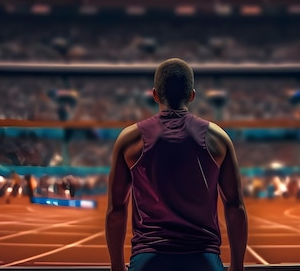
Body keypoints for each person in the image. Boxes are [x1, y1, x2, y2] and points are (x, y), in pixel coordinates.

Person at [105, 58, 247, 271]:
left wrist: (117, 267)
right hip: (203, 259)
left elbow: (116, 209)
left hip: (149, 259)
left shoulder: (129, 140)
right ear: (191, 95)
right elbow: (235, 206)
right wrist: (237, 268)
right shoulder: (218, 138)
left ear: (154, 95)